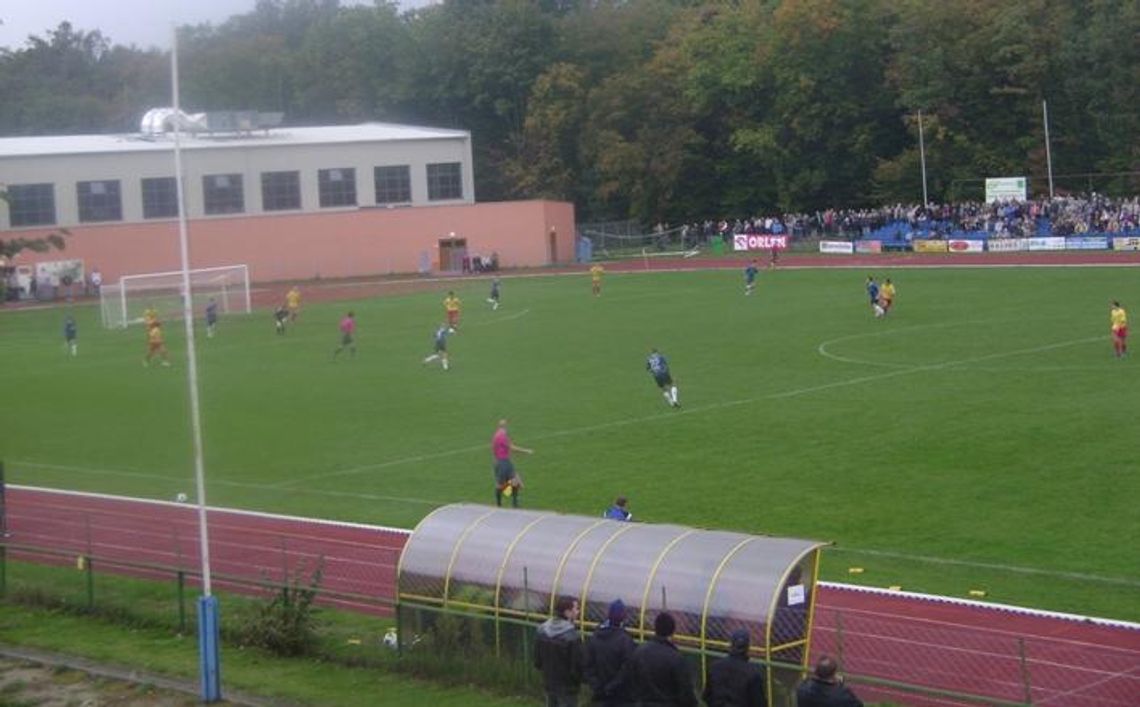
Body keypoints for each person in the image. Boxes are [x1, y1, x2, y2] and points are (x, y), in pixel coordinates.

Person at [627, 612, 697, 707]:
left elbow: (631, 680)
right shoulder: (676, 658)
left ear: (655, 628)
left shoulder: (639, 652)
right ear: (672, 631)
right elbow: (686, 692)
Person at [584, 599, 636, 706]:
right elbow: (627, 669)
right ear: (623, 617)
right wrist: (611, 686)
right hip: (620, 696)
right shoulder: (625, 640)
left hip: (600, 694)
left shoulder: (595, 636)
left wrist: (597, 686)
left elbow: (588, 665)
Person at [534, 596, 584, 707]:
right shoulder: (572, 637)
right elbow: (577, 666)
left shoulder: (542, 631)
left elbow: (538, 661)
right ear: (567, 612)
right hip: (567, 687)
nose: (578, 612)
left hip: (549, 682)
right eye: (576, 609)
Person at [702, 629, 767, 707]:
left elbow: (707, 696)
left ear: (731, 645)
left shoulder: (715, 667)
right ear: (747, 647)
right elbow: (760, 704)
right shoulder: (753, 673)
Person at [492, 419, 533, 508]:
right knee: (502, 484)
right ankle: (501, 503)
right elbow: (512, 448)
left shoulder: (496, 435)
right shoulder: (502, 436)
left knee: (514, 481)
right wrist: (526, 451)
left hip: (502, 461)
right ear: (504, 427)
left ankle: (512, 502)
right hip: (503, 463)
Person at [795, 657, 863, 707]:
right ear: (834, 675)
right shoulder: (842, 695)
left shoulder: (802, 688)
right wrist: (840, 685)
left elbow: (807, 681)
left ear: (816, 672)